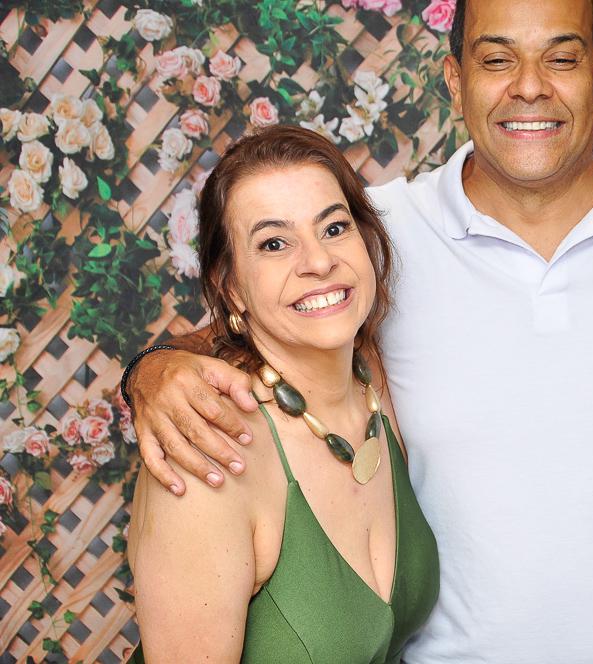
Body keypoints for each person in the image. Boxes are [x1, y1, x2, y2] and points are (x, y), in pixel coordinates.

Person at [122, 0, 593, 662]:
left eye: (560, 58)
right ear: (455, 81)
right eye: (497, 60)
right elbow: (255, 326)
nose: (529, 86)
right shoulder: (375, 234)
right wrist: (153, 371)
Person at [126, 125, 439, 663]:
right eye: (274, 243)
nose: (318, 261)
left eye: (334, 228)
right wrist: (146, 371)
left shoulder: (376, 379)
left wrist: (146, 367)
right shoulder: (212, 452)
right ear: (230, 285)